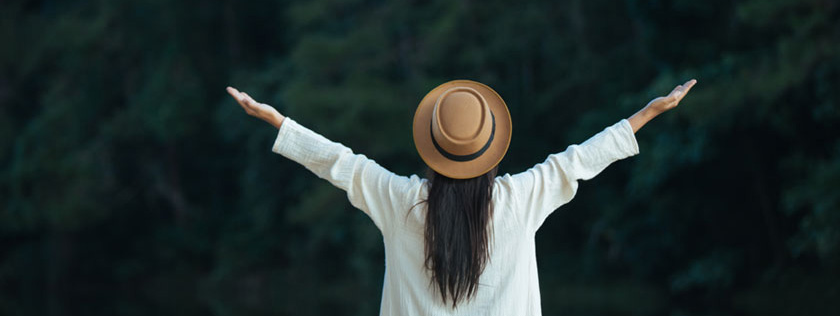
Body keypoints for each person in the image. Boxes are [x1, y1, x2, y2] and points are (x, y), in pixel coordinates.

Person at [226, 78, 696, 315]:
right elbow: (580, 160)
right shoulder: (521, 198)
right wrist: (647, 114)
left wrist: (276, 121)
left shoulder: (399, 201)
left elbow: (337, 162)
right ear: (491, 151)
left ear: (433, 151)